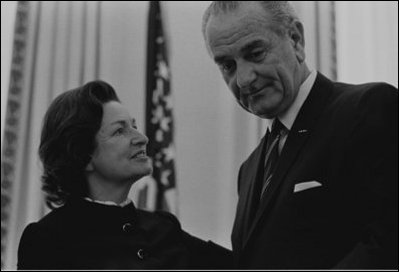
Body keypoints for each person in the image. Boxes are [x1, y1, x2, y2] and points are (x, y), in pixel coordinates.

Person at [202, 1, 398, 269]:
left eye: (256, 53)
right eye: (228, 66)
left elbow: (387, 243)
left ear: (295, 40)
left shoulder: (368, 108)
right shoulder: (248, 171)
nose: (244, 79)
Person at [17, 80, 232, 270]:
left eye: (135, 126)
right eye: (119, 131)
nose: (142, 138)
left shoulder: (165, 227)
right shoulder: (48, 240)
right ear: (82, 154)